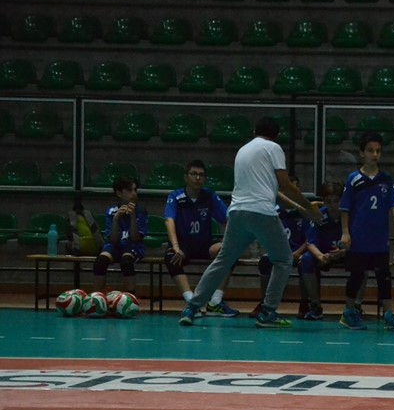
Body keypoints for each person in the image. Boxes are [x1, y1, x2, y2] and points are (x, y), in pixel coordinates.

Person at [178, 117, 322, 327]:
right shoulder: (273, 148)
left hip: (237, 212)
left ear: (254, 131)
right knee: (283, 260)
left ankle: (191, 308)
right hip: (261, 213)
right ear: (276, 136)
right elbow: (285, 185)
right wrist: (309, 208)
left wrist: (300, 209)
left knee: (223, 261)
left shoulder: (243, 151)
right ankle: (268, 312)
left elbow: (273, 191)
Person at [339, 131, 394, 331]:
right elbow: (345, 208)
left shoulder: (385, 179)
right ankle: (348, 313)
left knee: (384, 276)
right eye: (370, 151)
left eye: (378, 151)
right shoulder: (354, 179)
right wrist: (345, 232)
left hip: (379, 238)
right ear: (362, 153)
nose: (374, 155)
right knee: (357, 275)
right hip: (359, 238)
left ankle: (388, 314)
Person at [163, 160, 237, 317]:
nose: (197, 178)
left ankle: (215, 302)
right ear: (186, 177)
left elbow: (227, 218)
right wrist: (175, 247)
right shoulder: (175, 196)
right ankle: (192, 303)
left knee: (230, 251)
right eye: (193, 174)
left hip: (204, 244)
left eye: (201, 175)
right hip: (183, 245)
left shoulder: (209, 195)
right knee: (171, 256)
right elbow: (169, 221)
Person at [300, 181, 366, 320]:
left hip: (346, 252)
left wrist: (345, 251)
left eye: (336, 201)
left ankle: (356, 306)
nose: (333, 205)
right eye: (328, 201)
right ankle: (316, 306)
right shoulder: (318, 215)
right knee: (306, 260)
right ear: (323, 201)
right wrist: (320, 256)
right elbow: (310, 242)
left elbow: (360, 240)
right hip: (323, 253)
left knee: (363, 259)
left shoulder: (351, 216)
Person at [249, 174, 311, 319]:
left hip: (299, 252)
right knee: (265, 261)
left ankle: (305, 303)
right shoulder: (272, 211)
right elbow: (267, 235)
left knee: (306, 261)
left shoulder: (304, 212)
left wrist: (298, 252)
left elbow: (310, 238)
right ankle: (264, 302)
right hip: (278, 252)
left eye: (294, 189)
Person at [92, 176, 148, 293]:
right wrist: (115, 220)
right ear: (119, 193)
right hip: (115, 246)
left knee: (126, 262)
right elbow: (113, 240)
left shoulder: (141, 211)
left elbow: (135, 238)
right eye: (129, 190)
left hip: (133, 246)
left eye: (135, 190)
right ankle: (96, 296)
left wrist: (132, 217)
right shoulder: (111, 211)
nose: (134, 193)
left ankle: (130, 297)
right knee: (100, 262)